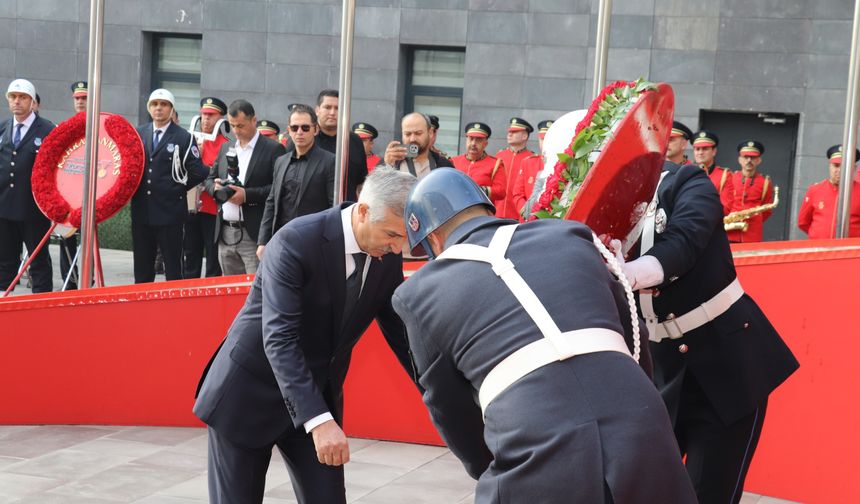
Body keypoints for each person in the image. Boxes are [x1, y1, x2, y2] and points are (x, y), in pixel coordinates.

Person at [392, 168, 696, 504]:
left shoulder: (417, 293)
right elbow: (632, 333)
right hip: (641, 423)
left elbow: (449, 407)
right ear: (485, 208)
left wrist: (492, 462)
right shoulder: (569, 236)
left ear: (434, 240)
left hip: (537, 441)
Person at [193, 168, 418, 504]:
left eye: (404, 238)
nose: (398, 247)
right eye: (392, 235)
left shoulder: (385, 255)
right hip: (248, 394)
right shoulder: (297, 240)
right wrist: (318, 421)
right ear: (364, 210)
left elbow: (402, 334)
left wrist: (448, 393)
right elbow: (279, 339)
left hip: (313, 394)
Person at [617, 160, 799, 504]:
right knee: (643, 489)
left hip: (726, 362)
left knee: (709, 492)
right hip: (661, 365)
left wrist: (632, 272)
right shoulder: (609, 198)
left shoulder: (685, 181)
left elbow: (686, 239)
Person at [131, 88, 208, 283]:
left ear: (171, 109)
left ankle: (174, 311)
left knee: (173, 270)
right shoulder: (138, 133)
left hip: (170, 213)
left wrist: (176, 188)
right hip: (142, 212)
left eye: (164, 105)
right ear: (149, 108)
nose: (159, 108)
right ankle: (142, 310)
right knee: (142, 269)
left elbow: (199, 171)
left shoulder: (183, 137)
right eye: (155, 104)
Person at [206, 99, 285, 276]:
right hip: (225, 232)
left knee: (254, 292)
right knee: (230, 291)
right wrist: (216, 189)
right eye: (232, 126)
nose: (236, 131)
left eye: (240, 126)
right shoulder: (226, 146)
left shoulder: (273, 149)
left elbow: (278, 189)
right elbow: (209, 178)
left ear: (254, 120)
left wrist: (246, 195)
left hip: (254, 234)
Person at [257, 104, 334, 259]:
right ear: (289, 130)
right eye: (294, 128)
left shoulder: (329, 161)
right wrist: (263, 241)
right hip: (280, 241)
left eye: (305, 128)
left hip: (313, 244)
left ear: (315, 129)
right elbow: (271, 202)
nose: (299, 132)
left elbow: (334, 207)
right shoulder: (281, 161)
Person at [0, 79, 56, 293]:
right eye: (13, 97)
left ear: (32, 102)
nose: (17, 102)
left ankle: (43, 310)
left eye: (22, 98)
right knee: (5, 261)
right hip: (4, 207)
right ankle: (4, 306)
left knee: (39, 262)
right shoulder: (3, 127)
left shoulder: (47, 130)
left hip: (33, 209)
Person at [184, 97, 229, 279]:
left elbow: (223, 175)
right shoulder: (189, 140)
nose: (206, 119)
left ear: (220, 118)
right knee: (190, 254)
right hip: (190, 206)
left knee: (213, 258)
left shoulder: (225, 145)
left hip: (212, 209)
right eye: (204, 115)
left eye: (211, 115)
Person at [312, 89, 367, 201]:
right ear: (317, 110)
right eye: (327, 107)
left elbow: (361, 183)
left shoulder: (355, 141)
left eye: (337, 108)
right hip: (313, 214)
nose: (332, 112)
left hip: (346, 211)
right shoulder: (307, 139)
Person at [797, 144, 860, 238]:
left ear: (854, 168)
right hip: (820, 250)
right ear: (830, 166)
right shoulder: (815, 190)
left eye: (845, 166)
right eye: (836, 165)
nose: (839, 170)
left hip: (850, 251)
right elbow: (803, 223)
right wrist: (818, 235)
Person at [451, 122, 506, 212]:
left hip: (481, 213)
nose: (473, 143)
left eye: (478, 140)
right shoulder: (454, 161)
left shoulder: (495, 164)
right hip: (456, 212)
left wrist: (478, 190)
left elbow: (501, 191)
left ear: (485, 144)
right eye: (471, 139)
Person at [727, 140, 774, 243]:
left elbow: (767, 210)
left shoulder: (765, 182)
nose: (749, 160)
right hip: (730, 232)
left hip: (752, 234)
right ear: (739, 159)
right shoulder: (730, 178)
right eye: (745, 157)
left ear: (758, 160)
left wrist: (754, 219)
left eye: (753, 157)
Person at [381, 112, 453, 178]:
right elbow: (374, 190)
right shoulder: (391, 161)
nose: (412, 139)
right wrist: (387, 166)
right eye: (407, 134)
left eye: (418, 133)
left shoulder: (444, 166)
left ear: (430, 133)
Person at [512, 119, 552, 221]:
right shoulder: (528, 163)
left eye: (549, 139)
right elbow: (518, 194)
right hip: (528, 220)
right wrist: (526, 212)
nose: (545, 143)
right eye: (542, 139)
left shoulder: (561, 163)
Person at [495, 117, 534, 220]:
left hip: (518, 214)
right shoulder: (499, 155)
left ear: (524, 136)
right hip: (497, 213)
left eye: (514, 132)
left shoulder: (531, 159)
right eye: (509, 131)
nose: (509, 134)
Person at [692, 130, 734, 215]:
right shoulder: (687, 173)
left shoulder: (725, 175)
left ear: (714, 151)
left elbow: (726, 207)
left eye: (705, 149)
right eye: (697, 149)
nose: (700, 152)